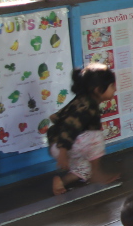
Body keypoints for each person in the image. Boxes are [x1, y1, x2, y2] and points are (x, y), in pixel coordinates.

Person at [46, 63, 119, 195]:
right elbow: (69, 126)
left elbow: (59, 119)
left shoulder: (83, 101)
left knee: (85, 168)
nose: (115, 89)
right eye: (112, 86)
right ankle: (96, 174)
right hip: (63, 143)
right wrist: (63, 151)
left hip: (65, 143)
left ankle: (61, 183)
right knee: (96, 136)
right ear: (98, 90)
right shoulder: (87, 106)